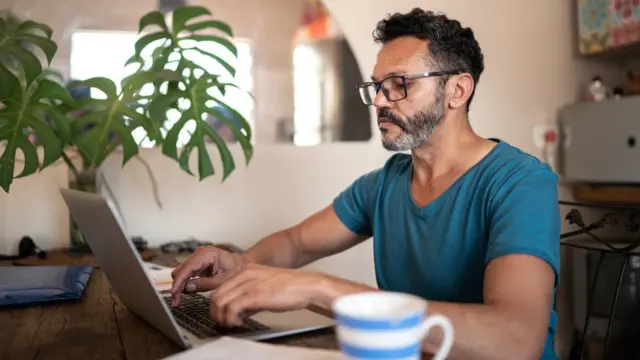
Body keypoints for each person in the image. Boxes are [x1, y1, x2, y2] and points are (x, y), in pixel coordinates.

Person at [170, 8, 560, 360]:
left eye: (399, 83)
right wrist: (241, 263)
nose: (379, 101)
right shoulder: (385, 184)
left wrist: (319, 289)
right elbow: (297, 243)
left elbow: (516, 339)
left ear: (457, 90)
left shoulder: (520, 183)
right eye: (377, 86)